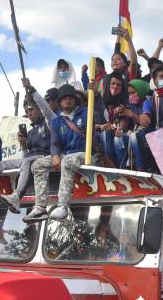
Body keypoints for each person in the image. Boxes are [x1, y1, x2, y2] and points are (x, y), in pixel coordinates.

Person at [0, 80, 52, 220]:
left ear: (39, 108)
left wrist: (31, 89)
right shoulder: (31, 132)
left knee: (26, 163)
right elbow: (26, 155)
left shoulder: (50, 122)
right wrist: (23, 144)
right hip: (29, 159)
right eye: (26, 111)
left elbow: (46, 110)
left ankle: (16, 196)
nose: (29, 113)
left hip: (45, 157)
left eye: (31, 109)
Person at [24, 85, 104, 222]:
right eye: (64, 98)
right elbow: (54, 143)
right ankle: (40, 206)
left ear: (75, 100)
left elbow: (94, 112)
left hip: (85, 154)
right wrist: (55, 156)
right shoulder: (56, 121)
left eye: (70, 97)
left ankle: (62, 206)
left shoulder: (87, 112)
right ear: (59, 102)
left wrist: (92, 92)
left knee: (67, 161)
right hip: (65, 154)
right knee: (37, 164)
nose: (67, 100)